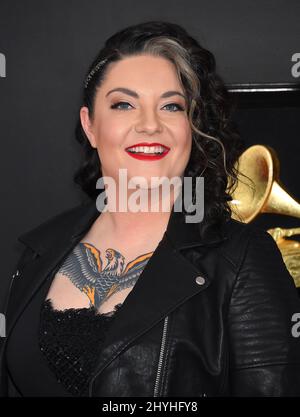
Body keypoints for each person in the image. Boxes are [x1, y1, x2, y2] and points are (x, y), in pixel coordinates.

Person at [1, 20, 300, 398]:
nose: (149, 125)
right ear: (90, 126)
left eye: (171, 106)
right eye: (124, 104)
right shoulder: (38, 251)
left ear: (190, 127)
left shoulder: (243, 259)